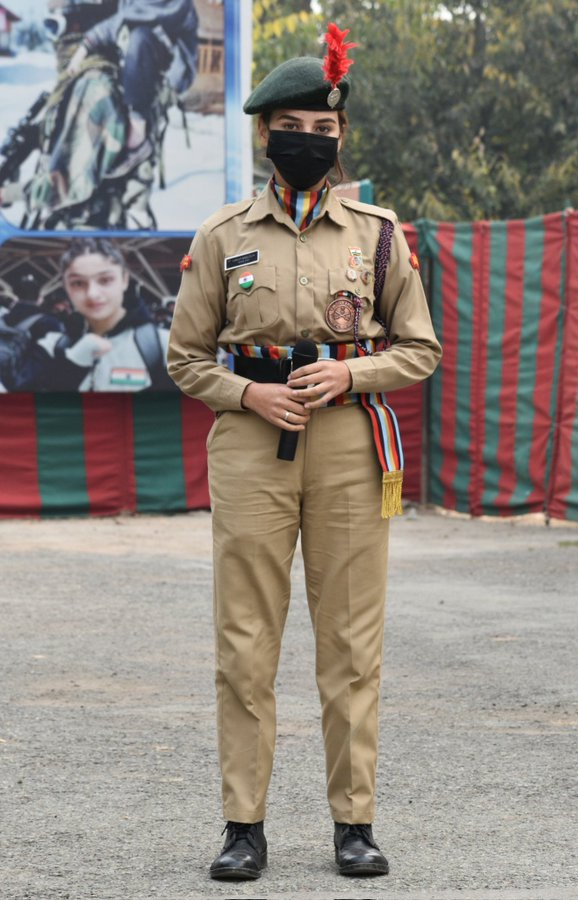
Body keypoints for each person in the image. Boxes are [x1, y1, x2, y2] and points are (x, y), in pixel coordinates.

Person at [167, 23, 442, 881]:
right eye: (292, 127)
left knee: (351, 643)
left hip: (350, 451)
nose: (307, 141)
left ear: (339, 137)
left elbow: (419, 348)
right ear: (263, 134)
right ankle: (242, 825)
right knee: (245, 642)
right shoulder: (221, 235)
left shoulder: (378, 234)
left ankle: (351, 824)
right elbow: (184, 356)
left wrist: (349, 380)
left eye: (323, 131)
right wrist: (248, 392)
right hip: (250, 445)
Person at [16, 238, 170, 391]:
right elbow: (22, 408)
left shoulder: (162, 345)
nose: (92, 294)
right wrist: (73, 364)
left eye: (105, 280)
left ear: (124, 280)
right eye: (78, 283)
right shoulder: (51, 346)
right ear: (66, 287)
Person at [67, 0, 198, 176]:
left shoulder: (176, 5)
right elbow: (119, 22)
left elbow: (132, 17)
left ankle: (138, 138)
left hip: (171, 68)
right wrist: (82, 50)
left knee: (139, 38)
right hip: (135, 65)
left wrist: (171, 85)